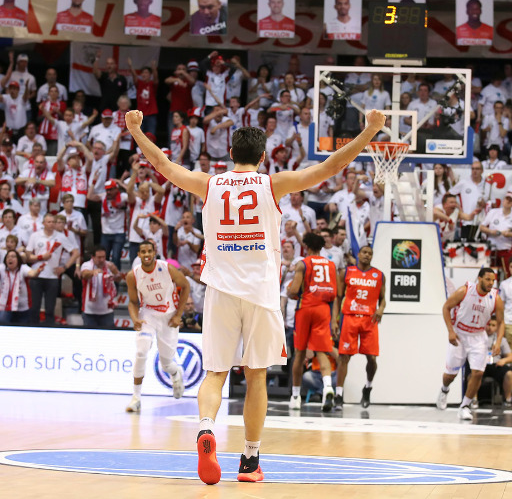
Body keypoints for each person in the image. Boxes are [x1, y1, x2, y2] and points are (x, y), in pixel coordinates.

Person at [124, 106, 388, 484]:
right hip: (261, 293)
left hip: (220, 291)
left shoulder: (209, 184)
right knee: (257, 375)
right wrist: (370, 131)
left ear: (230, 153)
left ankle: (205, 428)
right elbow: (331, 167)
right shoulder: (272, 184)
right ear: (263, 157)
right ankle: (249, 460)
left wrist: (136, 130)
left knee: (215, 373)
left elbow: (163, 165)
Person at [124, 241, 190, 412]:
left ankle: (175, 374)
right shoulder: (133, 275)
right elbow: (132, 302)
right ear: (138, 254)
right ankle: (136, 398)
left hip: (169, 316)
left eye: (149, 251)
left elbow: (186, 286)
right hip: (148, 315)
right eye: (143, 252)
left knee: (166, 363)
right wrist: (135, 318)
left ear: (154, 253)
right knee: (141, 352)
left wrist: (178, 315)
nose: (146, 254)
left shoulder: (167, 268)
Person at [437, 268, 505, 420]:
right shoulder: (465, 291)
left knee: (478, 372)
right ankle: (444, 390)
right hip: (460, 333)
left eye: (493, 280)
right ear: (479, 279)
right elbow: (446, 307)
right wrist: (450, 331)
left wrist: (498, 341)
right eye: (488, 279)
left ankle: (465, 406)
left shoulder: (496, 298)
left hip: (478, 336)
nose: (491, 283)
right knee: (450, 375)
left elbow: (501, 322)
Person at [286, 232, 338, 411]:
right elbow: (335, 293)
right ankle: (328, 388)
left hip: (306, 308)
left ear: (306, 246)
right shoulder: (331, 265)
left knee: (300, 353)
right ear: (321, 247)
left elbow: (294, 291)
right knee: (322, 352)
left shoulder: (303, 263)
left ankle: (295, 397)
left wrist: (289, 291)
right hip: (323, 309)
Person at [332, 243, 386, 409]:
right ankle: (339, 395)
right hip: (350, 317)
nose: (367, 255)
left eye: (370, 253)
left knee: (372, 358)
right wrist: (334, 320)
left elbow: (383, 299)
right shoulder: (347, 272)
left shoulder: (379, 275)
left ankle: (368, 387)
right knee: (344, 357)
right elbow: (338, 298)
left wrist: (381, 309)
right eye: (364, 252)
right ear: (358, 254)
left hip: (369, 319)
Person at [80, 246, 123, 328]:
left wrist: (116, 272)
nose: (102, 260)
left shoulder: (109, 265)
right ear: (93, 257)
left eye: (103, 257)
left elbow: (119, 279)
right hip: (90, 311)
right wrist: (93, 272)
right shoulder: (87, 265)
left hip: (107, 311)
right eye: (99, 257)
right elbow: (84, 274)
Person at [484, 317, 512, 407]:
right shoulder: (478, 337)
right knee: (473, 372)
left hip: (496, 364)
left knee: (509, 373)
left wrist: (504, 360)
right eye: (488, 325)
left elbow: (511, 357)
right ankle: (473, 400)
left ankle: (508, 400)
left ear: (497, 327)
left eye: (493, 325)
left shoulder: (501, 339)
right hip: (481, 364)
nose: (490, 327)